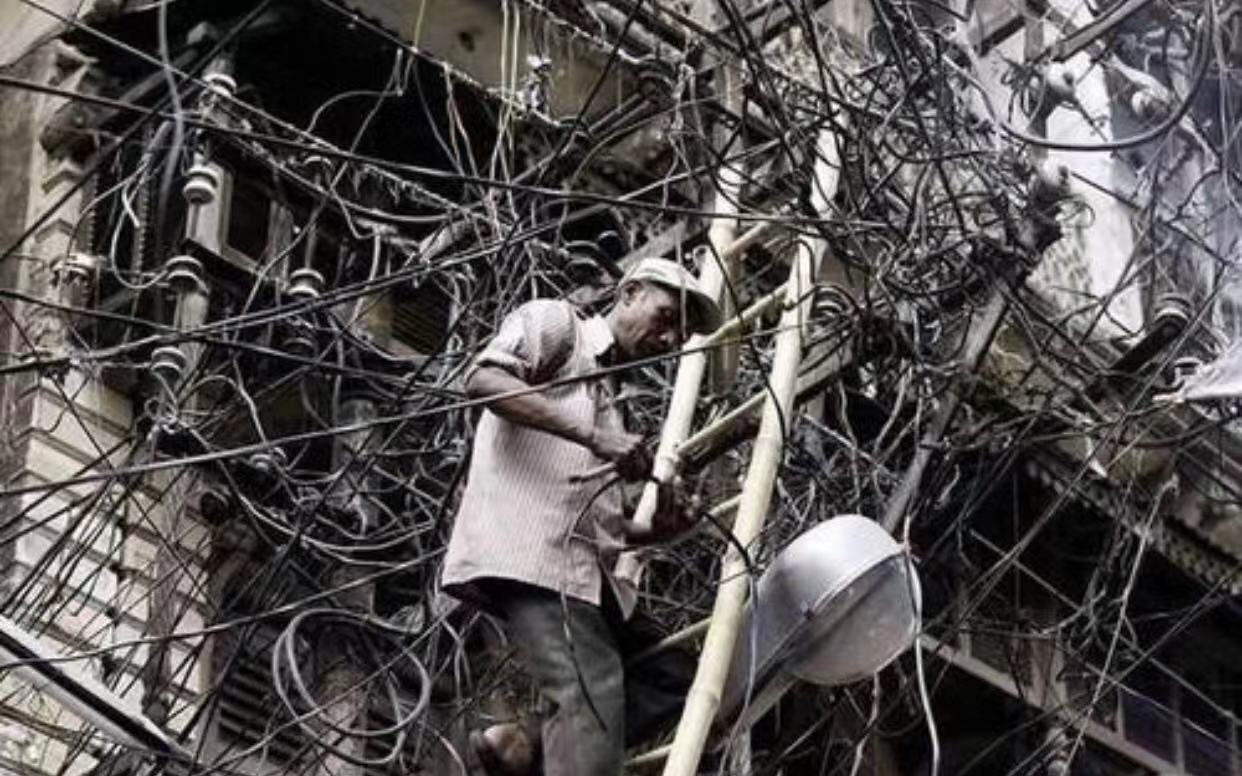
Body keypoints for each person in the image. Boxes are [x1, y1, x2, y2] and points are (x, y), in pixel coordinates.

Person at [440, 257, 722, 776]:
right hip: (534, 556)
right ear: (630, 291)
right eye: (665, 317)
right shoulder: (557, 325)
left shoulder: (613, 399)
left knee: (673, 674)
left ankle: (526, 747)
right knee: (588, 695)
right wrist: (593, 436)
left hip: (588, 576)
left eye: (679, 334)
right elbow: (482, 380)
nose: (668, 338)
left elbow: (595, 520)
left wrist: (656, 532)